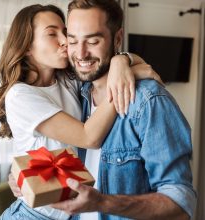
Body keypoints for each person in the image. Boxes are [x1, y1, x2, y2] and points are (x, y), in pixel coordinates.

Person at [0, 4, 161, 220]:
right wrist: (130, 76)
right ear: (26, 46)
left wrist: (122, 61)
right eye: (52, 34)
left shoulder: (67, 80)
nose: (65, 41)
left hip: (71, 215)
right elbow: (87, 137)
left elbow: (102, 62)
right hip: (32, 215)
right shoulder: (20, 95)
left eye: (65, 33)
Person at [50, 0, 197, 219]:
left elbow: (182, 202)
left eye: (92, 41)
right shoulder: (76, 93)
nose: (80, 54)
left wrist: (103, 202)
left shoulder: (148, 101)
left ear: (117, 38)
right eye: (73, 41)